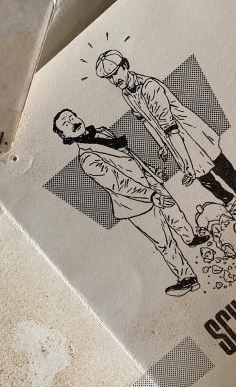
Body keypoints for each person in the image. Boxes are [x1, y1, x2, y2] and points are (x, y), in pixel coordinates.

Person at [53, 108, 208, 296]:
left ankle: (192, 238)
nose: (73, 122)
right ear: (65, 136)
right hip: (134, 204)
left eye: (72, 117)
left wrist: (152, 172)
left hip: (150, 183)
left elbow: (130, 156)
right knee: (164, 241)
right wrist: (151, 195)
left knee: (174, 213)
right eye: (66, 124)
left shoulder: (102, 132)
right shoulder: (87, 159)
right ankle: (188, 279)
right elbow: (119, 185)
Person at [95, 50, 236, 213]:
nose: (113, 80)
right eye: (109, 77)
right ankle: (228, 201)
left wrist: (187, 165)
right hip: (171, 138)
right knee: (203, 176)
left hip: (188, 132)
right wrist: (163, 145)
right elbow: (146, 121)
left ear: (125, 66)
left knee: (219, 166)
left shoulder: (149, 87)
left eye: (115, 73)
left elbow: (170, 127)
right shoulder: (126, 94)